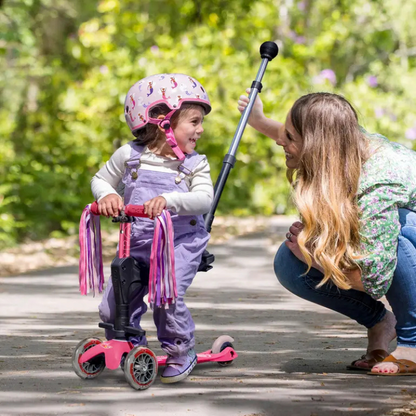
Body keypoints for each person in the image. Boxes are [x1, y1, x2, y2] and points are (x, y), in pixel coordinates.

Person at [238, 89, 416, 376]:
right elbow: (311, 133)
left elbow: (377, 279)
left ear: (318, 148)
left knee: (402, 224)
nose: (281, 141)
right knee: (290, 260)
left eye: (290, 138)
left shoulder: (379, 180)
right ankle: (381, 322)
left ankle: (413, 342)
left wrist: (317, 258)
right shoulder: (343, 145)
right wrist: (257, 120)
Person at [91, 73, 214, 383]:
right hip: (136, 241)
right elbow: (101, 178)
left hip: (179, 242)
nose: (200, 130)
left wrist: (170, 199)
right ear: (162, 120)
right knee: (114, 302)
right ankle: (134, 348)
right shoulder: (130, 157)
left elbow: (204, 199)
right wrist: (106, 194)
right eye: (194, 121)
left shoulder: (194, 164)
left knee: (165, 296)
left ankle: (179, 350)